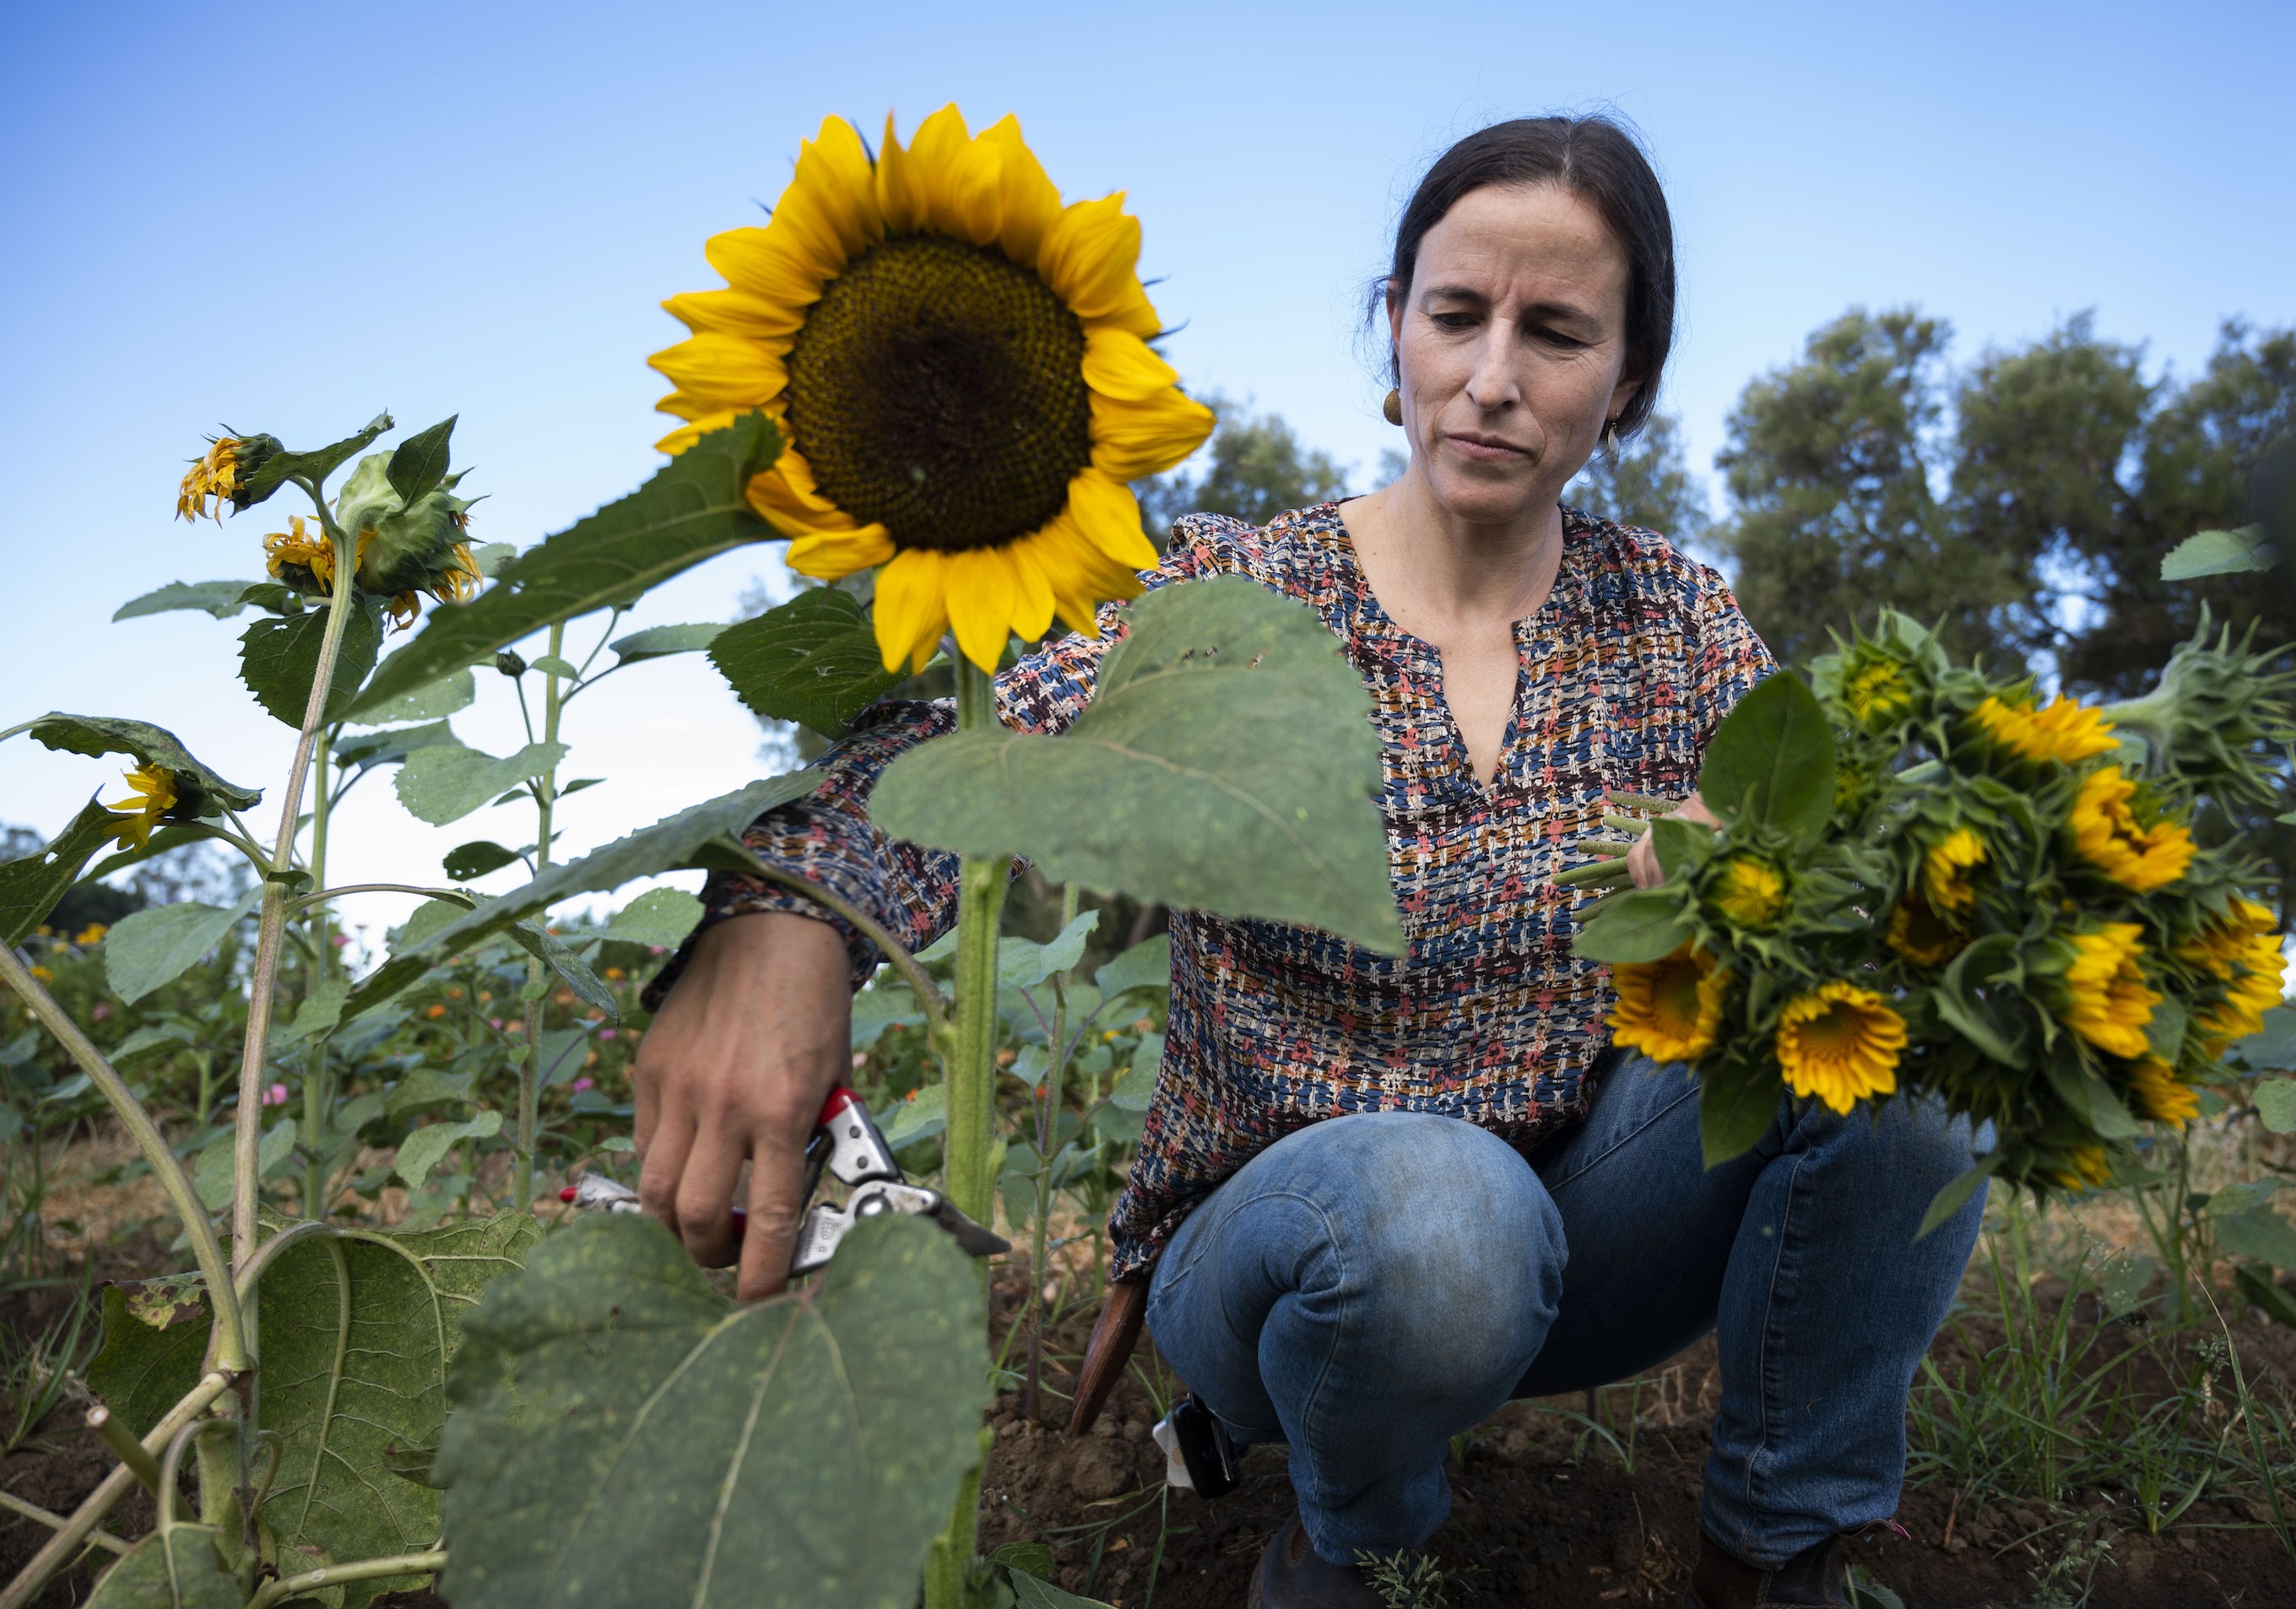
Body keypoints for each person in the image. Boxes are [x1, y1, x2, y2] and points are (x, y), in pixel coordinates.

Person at [634, 114, 1985, 1609]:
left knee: (1900, 1048)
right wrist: (786, 914)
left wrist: (1763, 900)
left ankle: (1775, 1557)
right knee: (1440, 1216)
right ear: (1392, 328)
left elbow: (1828, 885)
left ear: (1629, 383)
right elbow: (960, 744)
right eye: (1455, 315)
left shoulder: (1674, 626)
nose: (1491, 379)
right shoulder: (1236, 592)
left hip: (1593, 1233)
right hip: (1288, 1264)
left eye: (1555, 333)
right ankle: (1359, 1544)